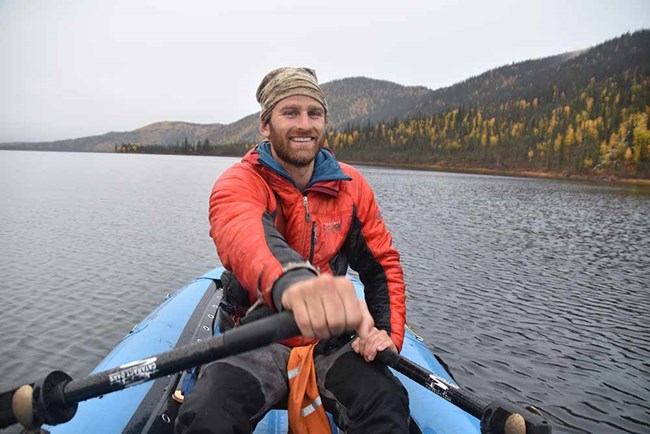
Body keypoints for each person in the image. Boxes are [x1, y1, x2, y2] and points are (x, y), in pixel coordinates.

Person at [176, 67, 410, 433]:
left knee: (387, 404)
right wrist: (296, 283)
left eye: (314, 113)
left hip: (328, 343)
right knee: (207, 414)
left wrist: (385, 334)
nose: (304, 124)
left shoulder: (351, 187)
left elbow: (381, 265)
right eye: (290, 113)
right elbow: (245, 233)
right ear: (265, 126)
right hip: (254, 337)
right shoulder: (241, 181)